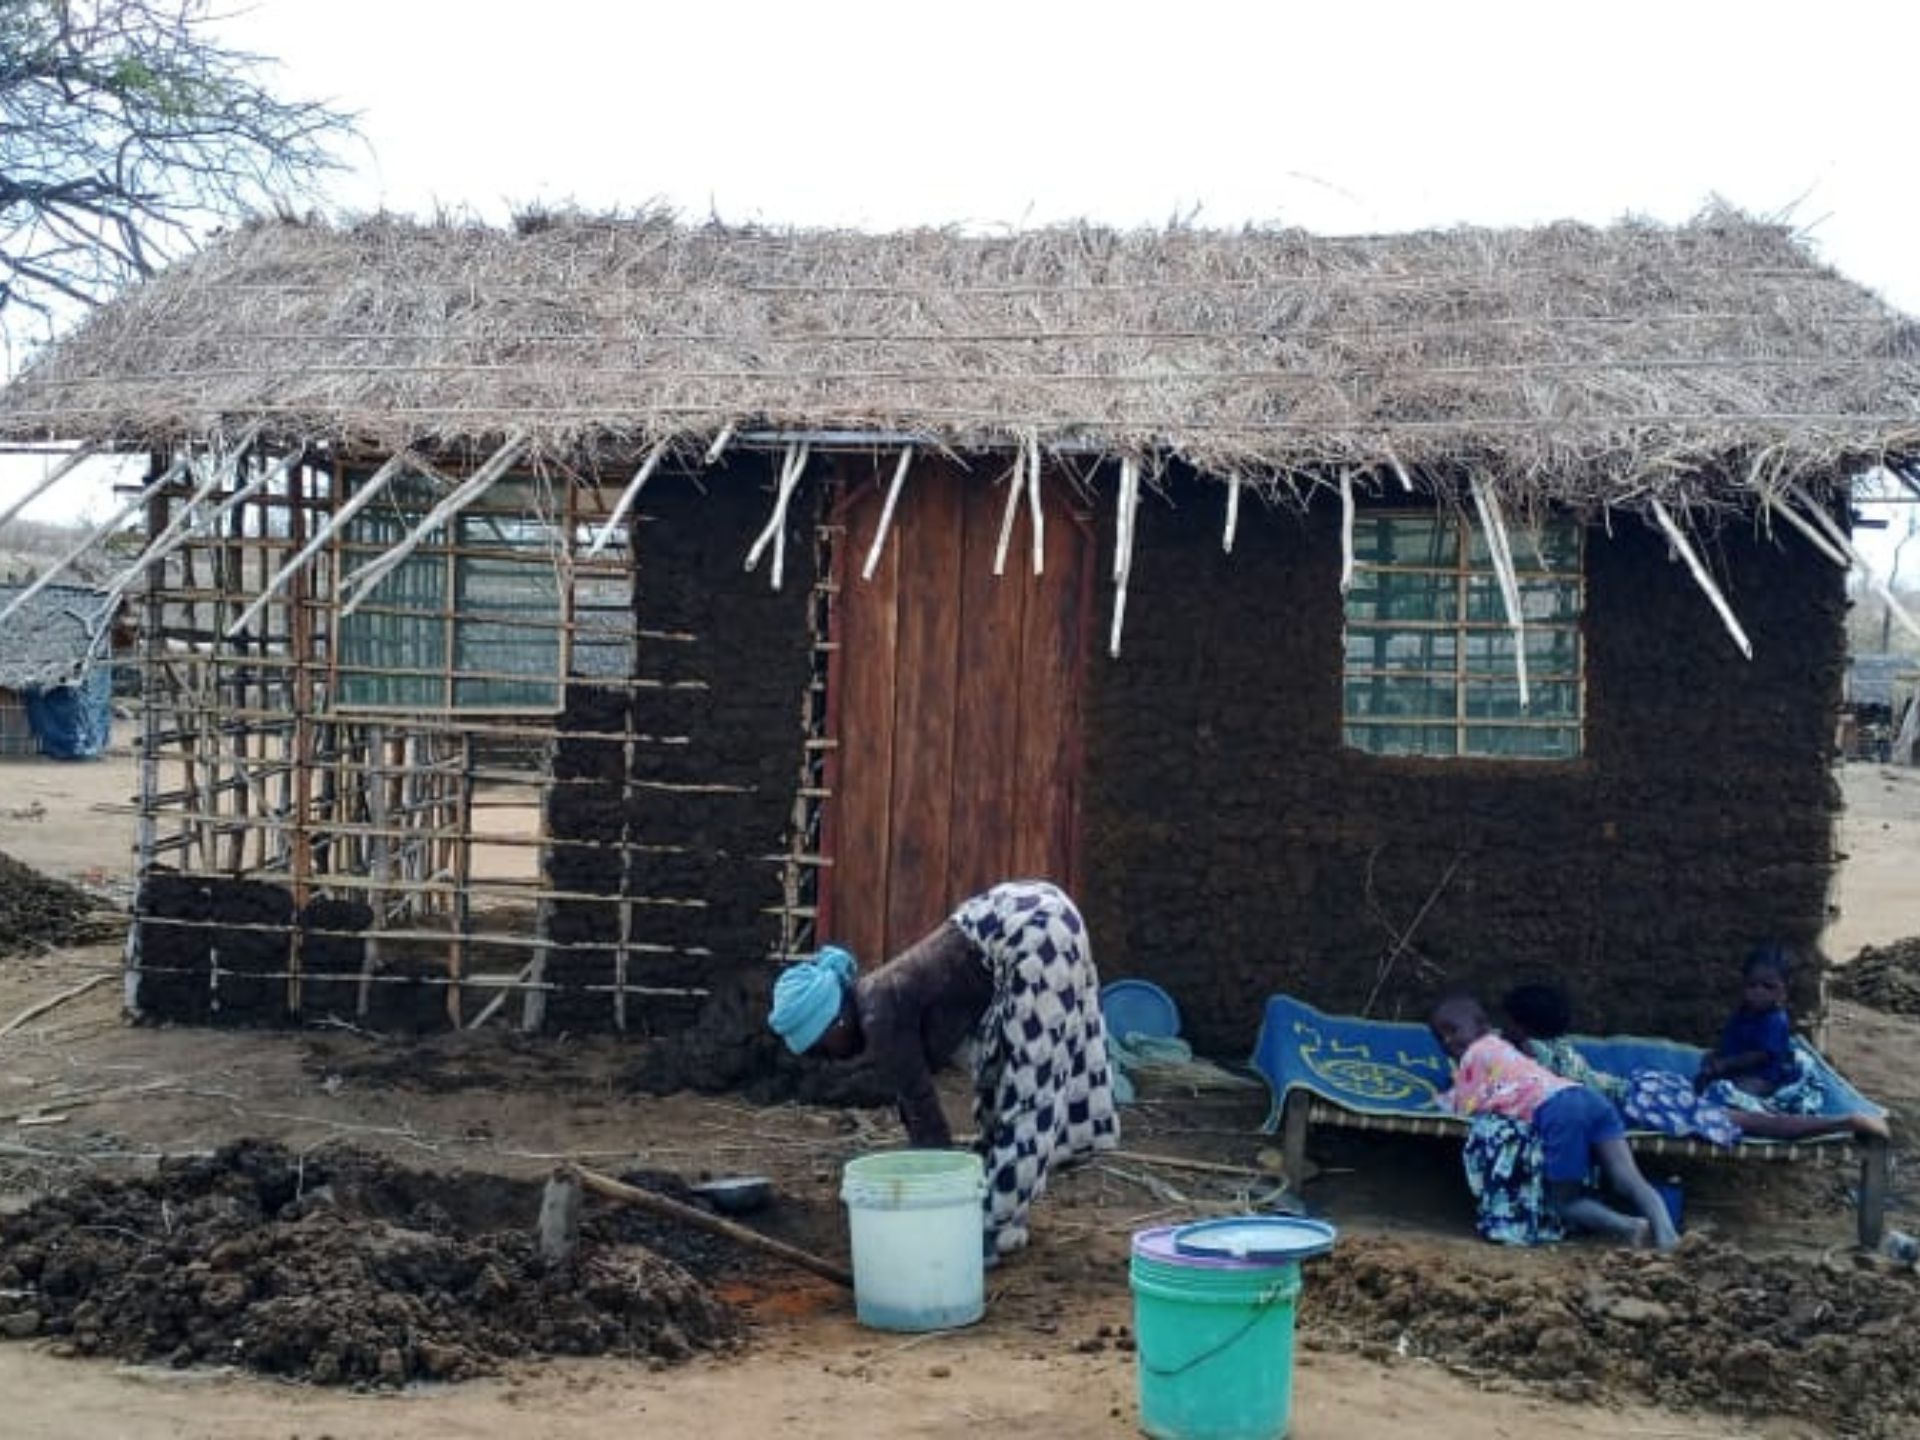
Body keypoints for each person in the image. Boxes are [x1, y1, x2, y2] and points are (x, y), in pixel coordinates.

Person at [767, 879, 1119, 1259]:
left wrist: (933, 1206)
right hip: (1029, 915)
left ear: (833, 1021)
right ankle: (1003, 1220)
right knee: (998, 1087)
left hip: (1031, 931)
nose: (829, 1059)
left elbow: (927, 1122)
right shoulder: (876, 1001)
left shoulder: (878, 1020)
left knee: (1029, 1096)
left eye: (821, 1048)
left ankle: (983, 1231)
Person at [1430, 995, 1679, 1250]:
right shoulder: (1503, 1046)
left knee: (1564, 1202)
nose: (1447, 1041)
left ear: (1482, 1024)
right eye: (1441, 1037)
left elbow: (1465, 1106)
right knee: (1629, 1179)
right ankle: (1668, 1237)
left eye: (1451, 1031)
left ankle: (1630, 1227)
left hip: (1561, 1111)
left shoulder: (1475, 1054)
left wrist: (1443, 1097)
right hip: (1589, 1099)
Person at [1503, 982, 1887, 1143]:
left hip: (1641, 1104)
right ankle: (1834, 1118)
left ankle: (1844, 1122)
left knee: (1748, 1123)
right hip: (1644, 1087)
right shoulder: (1560, 1045)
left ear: (1521, 1026)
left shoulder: (1534, 1052)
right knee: (1745, 1116)